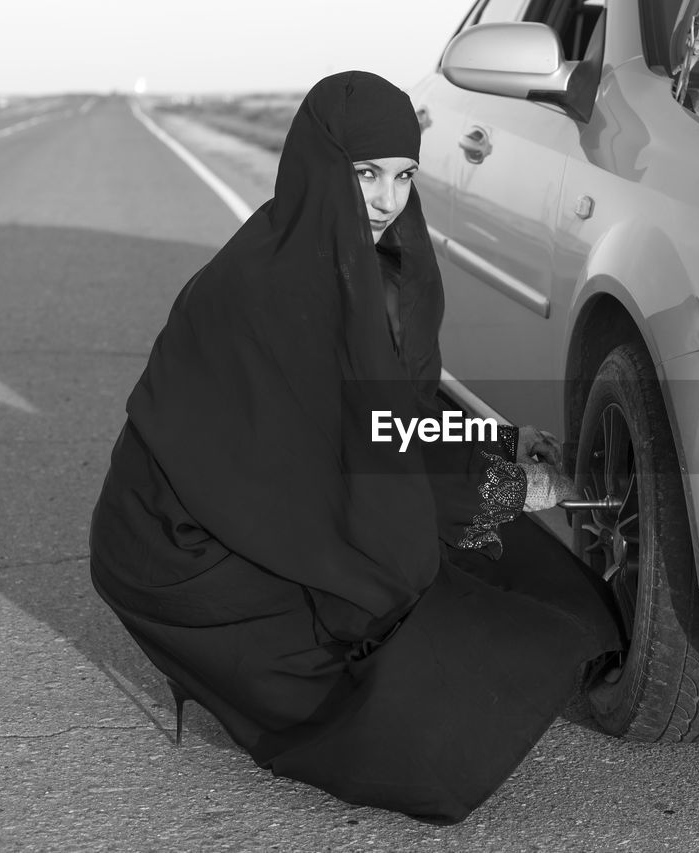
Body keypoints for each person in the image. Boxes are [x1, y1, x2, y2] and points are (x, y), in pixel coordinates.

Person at [88, 71, 622, 825]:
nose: (387, 199)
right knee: (425, 683)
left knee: (528, 585)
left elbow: (393, 415)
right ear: (320, 169)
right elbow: (374, 449)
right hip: (181, 553)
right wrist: (516, 488)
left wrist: (497, 439)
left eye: (404, 175)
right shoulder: (271, 288)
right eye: (366, 174)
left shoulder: (365, 263)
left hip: (253, 508)